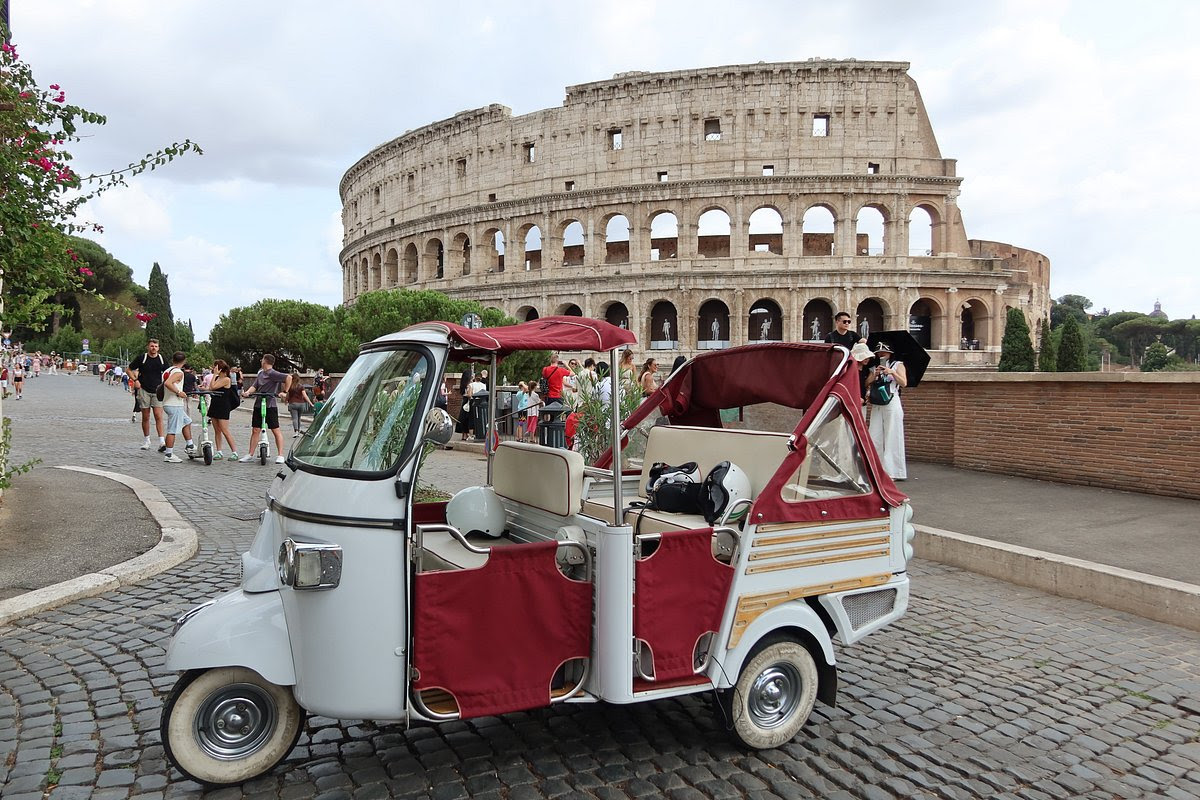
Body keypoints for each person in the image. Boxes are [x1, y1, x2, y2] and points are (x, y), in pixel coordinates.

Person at [240, 353, 291, 464]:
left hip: (270, 405)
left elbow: (289, 377)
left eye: (262, 359)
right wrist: (248, 392)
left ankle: (280, 455)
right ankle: (250, 454)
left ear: (265, 361)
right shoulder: (260, 374)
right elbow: (255, 386)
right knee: (255, 430)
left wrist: (284, 392)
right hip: (258, 404)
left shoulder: (273, 373)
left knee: (275, 430)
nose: (260, 360)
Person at [867, 341, 907, 480]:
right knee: (874, 434)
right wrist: (875, 374)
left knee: (892, 434)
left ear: (890, 353)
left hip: (891, 400)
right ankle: (876, 470)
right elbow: (867, 383)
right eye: (878, 353)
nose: (880, 355)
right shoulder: (874, 367)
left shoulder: (898, 365)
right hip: (877, 401)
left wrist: (892, 372)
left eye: (883, 352)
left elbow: (903, 383)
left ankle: (893, 471)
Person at [128, 339, 168, 452]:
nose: (153, 348)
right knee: (146, 416)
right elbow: (129, 369)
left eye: (156, 346)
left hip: (157, 390)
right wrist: (135, 380)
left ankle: (162, 441)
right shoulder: (142, 358)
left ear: (158, 348)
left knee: (158, 416)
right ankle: (147, 440)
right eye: (152, 346)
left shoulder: (162, 359)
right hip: (144, 389)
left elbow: (168, 373)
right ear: (148, 347)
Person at [159, 351, 196, 463]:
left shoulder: (167, 370)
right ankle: (169, 454)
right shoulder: (178, 372)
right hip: (174, 403)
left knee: (186, 421)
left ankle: (190, 445)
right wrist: (179, 392)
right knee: (172, 430)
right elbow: (168, 383)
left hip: (168, 402)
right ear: (184, 361)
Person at [206, 359, 239, 461]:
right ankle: (219, 451)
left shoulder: (226, 379)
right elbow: (211, 388)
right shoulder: (217, 378)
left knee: (225, 430)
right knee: (217, 431)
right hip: (215, 404)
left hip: (223, 406)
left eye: (215, 367)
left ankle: (234, 452)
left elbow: (212, 387)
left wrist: (215, 375)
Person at [285, 371, 313, 436]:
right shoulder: (301, 386)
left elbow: (287, 395)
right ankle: (299, 429)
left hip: (293, 404)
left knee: (295, 418)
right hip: (301, 404)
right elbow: (305, 396)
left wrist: (286, 401)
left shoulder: (290, 386)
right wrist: (311, 403)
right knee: (299, 418)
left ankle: (296, 431)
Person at [849, 341, 875, 406]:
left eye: (868, 357)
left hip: (862, 403)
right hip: (851, 403)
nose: (867, 359)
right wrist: (856, 398)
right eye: (864, 357)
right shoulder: (850, 370)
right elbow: (849, 387)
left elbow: (864, 385)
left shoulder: (866, 371)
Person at [456, 368, 473, 441]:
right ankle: (467, 434)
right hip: (468, 401)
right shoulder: (469, 385)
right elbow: (469, 395)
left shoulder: (462, 384)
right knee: (467, 418)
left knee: (462, 418)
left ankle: (463, 435)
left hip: (464, 401)